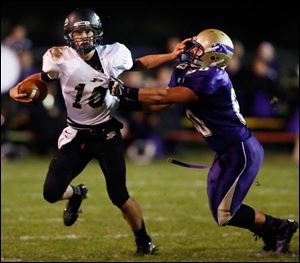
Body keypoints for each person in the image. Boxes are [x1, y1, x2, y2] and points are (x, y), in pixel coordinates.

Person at [9, 8, 190, 256]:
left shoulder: (114, 54)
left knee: (119, 196)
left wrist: (170, 55)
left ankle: (144, 241)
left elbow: (139, 64)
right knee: (51, 193)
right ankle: (77, 193)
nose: (83, 37)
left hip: (107, 133)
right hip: (76, 132)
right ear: (69, 35)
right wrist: (16, 89)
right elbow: (41, 78)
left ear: (97, 33)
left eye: (87, 31)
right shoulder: (59, 57)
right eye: (78, 32)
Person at [107, 29, 299, 254]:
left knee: (225, 213)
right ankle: (274, 230)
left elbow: (164, 96)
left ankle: (280, 227)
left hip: (241, 151)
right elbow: (163, 103)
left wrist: (124, 91)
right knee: (221, 211)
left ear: (214, 57)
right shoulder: (185, 69)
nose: (192, 50)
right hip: (225, 151)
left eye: (199, 48)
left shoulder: (213, 78)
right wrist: (119, 103)